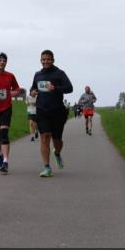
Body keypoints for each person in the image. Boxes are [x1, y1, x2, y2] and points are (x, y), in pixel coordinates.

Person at [30, 49, 74, 177]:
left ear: (53, 60)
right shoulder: (37, 75)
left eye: (48, 59)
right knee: (44, 137)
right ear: (40, 60)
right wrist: (32, 92)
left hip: (57, 111)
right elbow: (33, 88)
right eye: (43, 59)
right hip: (42, 110)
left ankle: (57, 153)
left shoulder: (59, 73)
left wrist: (55, 88)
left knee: (57, 140)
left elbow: (70, 88)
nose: (46, 61)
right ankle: (47, 168)